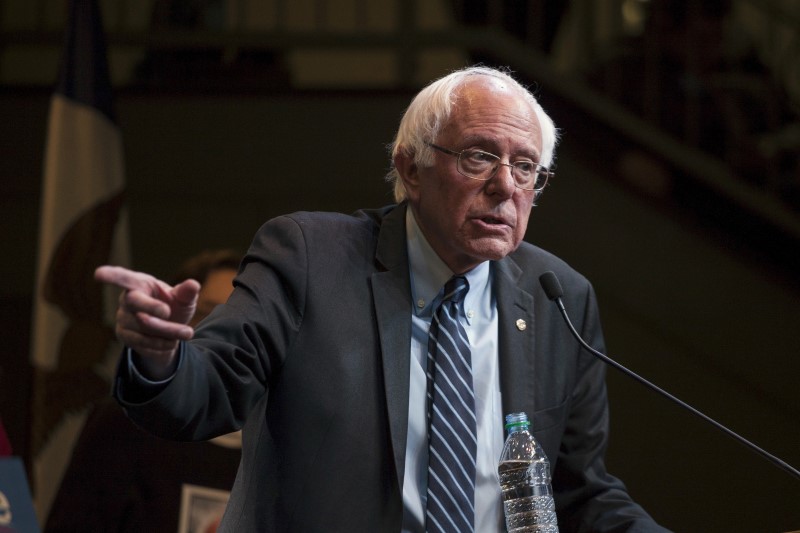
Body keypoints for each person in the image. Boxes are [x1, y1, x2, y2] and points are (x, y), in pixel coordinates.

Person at [95, 66, 668, 532]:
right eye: (478, 156)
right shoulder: (311, 257)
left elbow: (577, 489)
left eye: (526, 168)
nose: (506, 186)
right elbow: (207, 394)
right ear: (409, 168)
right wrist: (160, 356)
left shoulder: (557, 296)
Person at [46, 250, 242, 533]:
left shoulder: (281, 446)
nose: (226, 335)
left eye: (241, 321)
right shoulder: (124, 425)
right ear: (176, 322)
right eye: (205, 315)